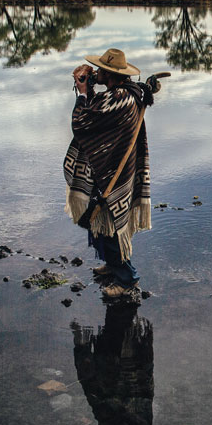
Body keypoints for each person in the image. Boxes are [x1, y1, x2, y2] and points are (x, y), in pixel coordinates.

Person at [63, 48, 155, 299]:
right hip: (114, 169)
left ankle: (127, 279)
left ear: (110, 74)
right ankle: (113, 265)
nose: (95, 72)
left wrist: (82, 94)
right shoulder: (124, 94)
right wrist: (88, 88)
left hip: (113, 175)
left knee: (108, 224)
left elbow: (83, 122)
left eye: (100, 70)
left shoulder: (120, 99)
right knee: (101, 223)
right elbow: (98, 112)